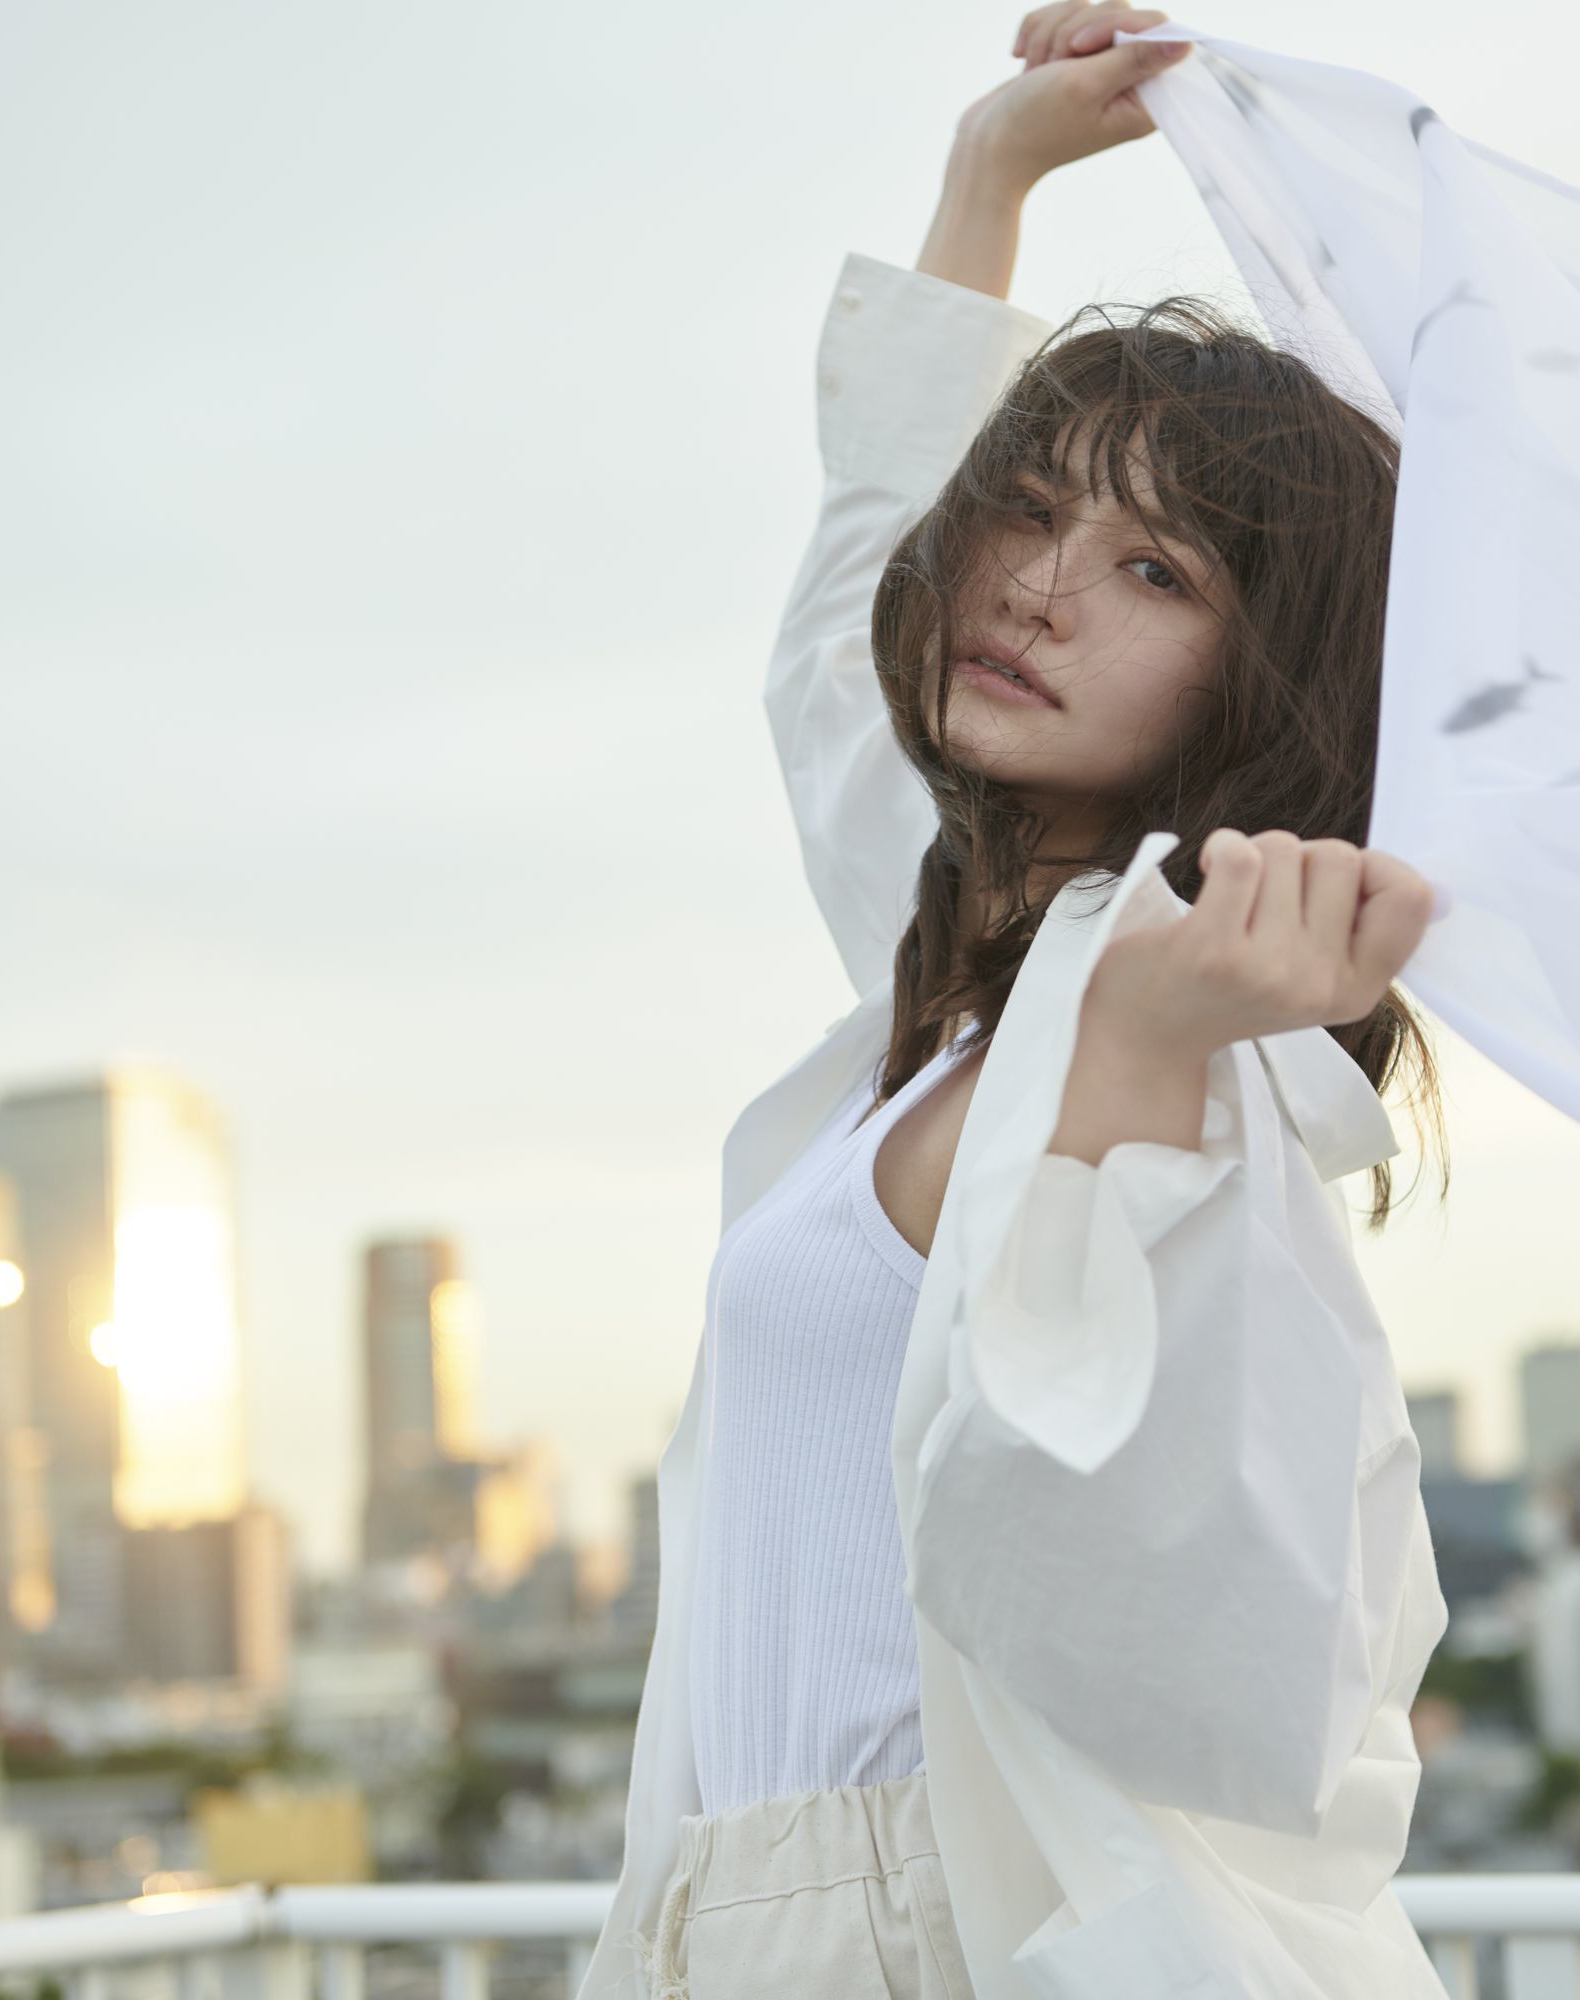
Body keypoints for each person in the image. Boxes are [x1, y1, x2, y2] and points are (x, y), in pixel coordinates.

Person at [579, 6, 1459, 1995]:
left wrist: (1159, 1048)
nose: (1039, 584)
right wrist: (994, 174)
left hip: (949, 1934)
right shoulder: (967, 996)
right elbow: (842, 648)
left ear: (1265, 688)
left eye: (1155, 568)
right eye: (1031, 503)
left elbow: (1184, 1616)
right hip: (740, 1915)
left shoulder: (1164, 1052)